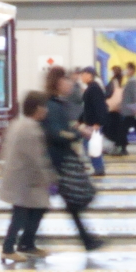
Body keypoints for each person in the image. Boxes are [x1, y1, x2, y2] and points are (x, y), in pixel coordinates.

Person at [41, 65, 104, 254]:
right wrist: (76, 134)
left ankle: (87, 240)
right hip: (58, 160)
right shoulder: (52, 105)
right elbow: (56, 133)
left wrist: (76, 130)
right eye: (66, 79)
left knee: (69, 203)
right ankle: (27, 238)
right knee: (58, 202)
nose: (70, 83)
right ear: (58, 82)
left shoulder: (59, 103)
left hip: (60, 159)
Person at [0, 91, 55, 266]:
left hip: (20, 178)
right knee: (20, 215)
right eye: (44, 107)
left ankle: (27, 243)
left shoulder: (18, 123)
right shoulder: (31, 129)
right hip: (24, 181)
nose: (46, 110)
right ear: (37, 108)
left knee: (34, 210)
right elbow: (37, 158)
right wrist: (50, 179)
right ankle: (8, 249)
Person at [76, 68, 109, 177]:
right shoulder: (91, 88)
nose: (81, 77)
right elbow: (87, 108)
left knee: (92, 146)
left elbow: (99, 107)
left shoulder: (94, 89)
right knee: (91, 146)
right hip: (91, 123)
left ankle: (99, 169)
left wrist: (98, 123)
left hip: (94, 124)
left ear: (90, 75)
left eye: (83, 74)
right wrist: (80, 120)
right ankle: (99, 168)